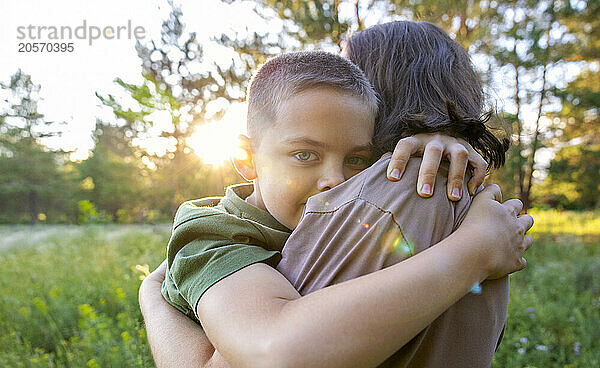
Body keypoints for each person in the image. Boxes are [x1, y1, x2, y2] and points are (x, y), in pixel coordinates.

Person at [140, 42, 533, 368]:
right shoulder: (214, 231)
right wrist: (477, 250)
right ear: (246, 158)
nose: (336, 179)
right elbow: (273, 349)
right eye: (305, 155)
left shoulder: (382, 199)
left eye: (358, 160)